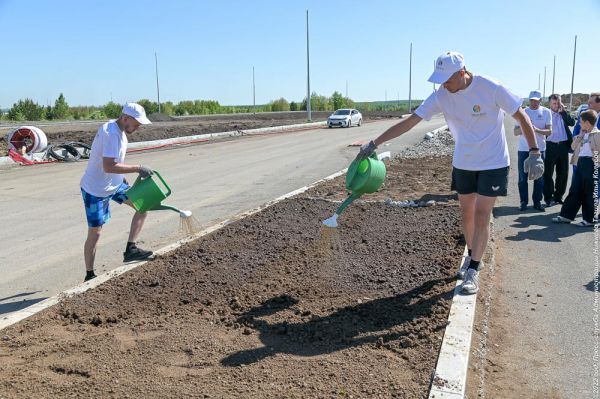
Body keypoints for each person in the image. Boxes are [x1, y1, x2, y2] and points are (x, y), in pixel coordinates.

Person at [357, 52, 542, 295]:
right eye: (440, 78)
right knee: (466, 212)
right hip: (464, 162)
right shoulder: (441, 96)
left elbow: (522, 116)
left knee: (481, 214)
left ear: (462, 72)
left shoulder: (491, 88)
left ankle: (474, 268)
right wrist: (374, 143)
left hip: (493, 162)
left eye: (447, 78)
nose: (443, 83)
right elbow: (409, 123)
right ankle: (473, 255)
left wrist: (534, 151)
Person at [80, 103, 154, 282]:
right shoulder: (111, 133)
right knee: (95, 232)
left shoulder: (119, 131)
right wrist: (137, 168)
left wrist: (121, 179)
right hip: (95, 190)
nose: (138, 127)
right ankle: (89, 275)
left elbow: (115, 162)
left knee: (143, 204)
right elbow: (108, 165)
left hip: (114, 185)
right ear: (125, 118)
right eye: (136, 123)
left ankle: (131, 249)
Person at [552, 109, 600, 227]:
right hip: (580, 163)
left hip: (591, 164)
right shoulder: (582, 134)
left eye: (581, 122)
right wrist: (580, 136)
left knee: (589, 192)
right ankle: (566, 215)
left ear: (587, 123)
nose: (579, 124)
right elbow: (573, 147)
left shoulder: (598, 134)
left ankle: (589, 219)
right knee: (575, 189)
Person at [513, 90, 551, 212]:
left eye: (536, 100)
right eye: (532, 100)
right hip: (524, 149)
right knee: (522, 178)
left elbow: (549, 131)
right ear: (529, 100)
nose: (534, 103)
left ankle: (537, 202)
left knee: (539, 177)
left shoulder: (546, 112)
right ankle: (523, 201)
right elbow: (515, 131)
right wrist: (526, 128)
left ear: (540, 100)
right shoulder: (523, 112)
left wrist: (536, 129)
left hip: (540, 150)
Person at [543, 94, 575, 206]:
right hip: (550, 146)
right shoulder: (546, 114)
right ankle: (548, 197)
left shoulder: (564, 113)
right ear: (550, 104)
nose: (556, 105)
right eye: (554, 103)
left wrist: (563, 112)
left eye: (558, 103)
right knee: (548, 173)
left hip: (563, 146)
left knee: (563, 173)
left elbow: (572, 122)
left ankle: (558, 196)